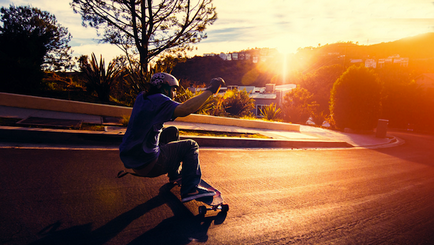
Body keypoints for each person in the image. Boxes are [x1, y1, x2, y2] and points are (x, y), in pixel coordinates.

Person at [119, 72, 225, 202]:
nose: (175, 93)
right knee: (191, 145)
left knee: (171, 131)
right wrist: (210, 90)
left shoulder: (142, 97)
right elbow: (186, 108)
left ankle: (174, 174)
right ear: (165, 87)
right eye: (174, 89)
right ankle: (190, 189)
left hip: (133, 160)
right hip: (149, 164)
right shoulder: (160, 100)